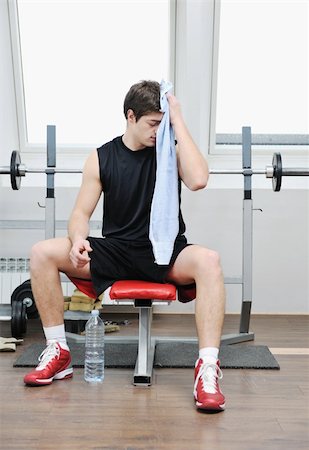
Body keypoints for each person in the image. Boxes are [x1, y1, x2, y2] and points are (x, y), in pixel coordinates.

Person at [23, 80, 226, 412]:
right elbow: (80, 213)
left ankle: (206, 368)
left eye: (164, 124)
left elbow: (199, 179)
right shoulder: (102, 157)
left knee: (209, 260)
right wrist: (77, 241)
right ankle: (58, 351)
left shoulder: (169, 150)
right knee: (42, 252)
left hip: (165, 251)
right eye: (153, 124)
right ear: (130, 117)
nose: (158, 131)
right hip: (117, 250)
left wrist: (177, 121)